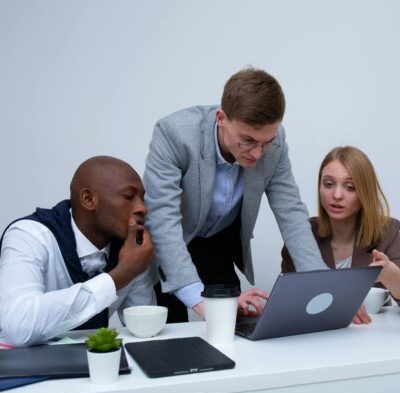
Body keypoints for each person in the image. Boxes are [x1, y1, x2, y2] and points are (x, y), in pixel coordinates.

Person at [143, 67, 328, 322]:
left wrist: (323, 286)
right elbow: (162, 219)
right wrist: (199, 301)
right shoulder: (174, 134)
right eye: (248, 141)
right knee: (170, 336)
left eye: (267, 142)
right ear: (221, 117)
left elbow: (291, 211)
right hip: (172, 242)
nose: (257, 154)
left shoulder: (275, 141)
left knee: (235, 328)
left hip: (218, 243)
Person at [0, 156, 155, 347]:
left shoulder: (129, 246)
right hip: (21, 369)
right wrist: (120, 276)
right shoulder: (29, 236)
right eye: (129, 196)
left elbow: (144, 327)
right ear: (88, 199)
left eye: (142, 198)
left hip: (96, 369)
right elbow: (18, 327)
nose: (142, 208)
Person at [281, 146, 400, 322]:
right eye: (328, 184)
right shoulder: (302, 235)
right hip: (317, 339)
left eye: (350, 187)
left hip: (371, 340)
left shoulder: (389, 231)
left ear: (365, 193)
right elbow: (287, 304)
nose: (336, 195)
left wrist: (391, 275)